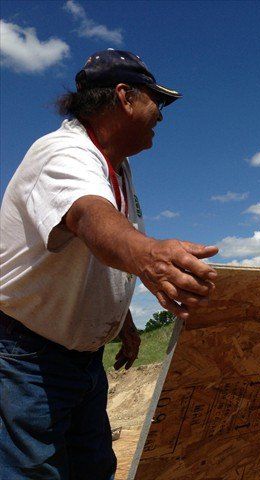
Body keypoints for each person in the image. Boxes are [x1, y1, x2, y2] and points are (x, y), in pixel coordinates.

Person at [0, 50, 219, 479]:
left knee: (94, 469)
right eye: (157, 100)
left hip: (80, 359)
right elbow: (88, 216)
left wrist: (122, 323)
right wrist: (149, 255)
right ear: (124, 96)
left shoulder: (117, 167)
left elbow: (93, 253)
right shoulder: (61, 152)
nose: (161, 114)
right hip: (24, 357)